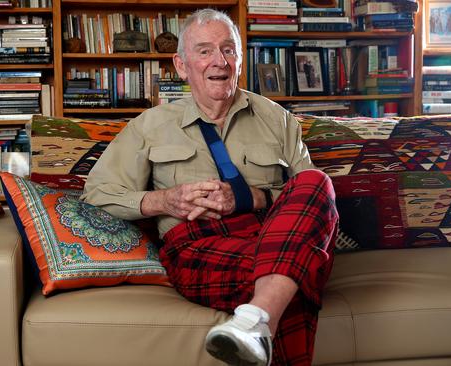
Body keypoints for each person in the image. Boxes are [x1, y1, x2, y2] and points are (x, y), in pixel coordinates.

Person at [82, 8, 338, 366]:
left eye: (228, 49)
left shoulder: (277, 119)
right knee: (295, 269)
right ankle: (263, 315)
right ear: (182, 65)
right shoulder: (149, 126)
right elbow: (96, 194)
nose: (219, 61)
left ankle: (254, 322)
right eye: (204, 51)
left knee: (315, 181)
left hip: (271, 235)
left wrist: (253, 197)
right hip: (197, 245)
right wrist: (163, 201)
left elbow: (317, 203)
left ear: (240, 58)